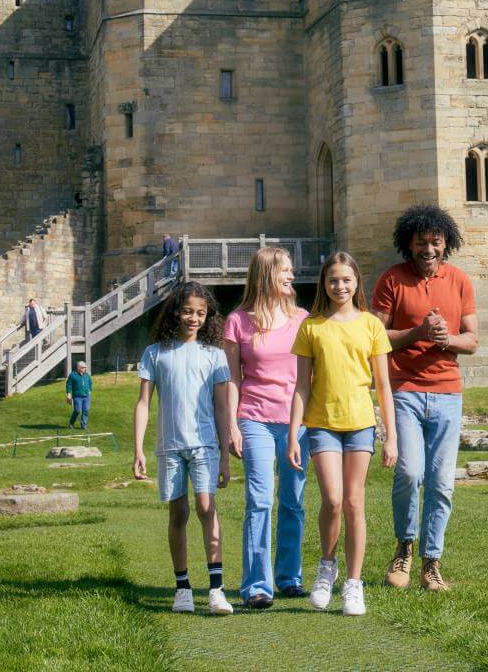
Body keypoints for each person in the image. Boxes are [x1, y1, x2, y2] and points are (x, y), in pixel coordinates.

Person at [374, 205, 478, 593]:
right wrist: (417, 332)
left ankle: (431, 563)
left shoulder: (460, 281)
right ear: (409, 244)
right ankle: (404, 547)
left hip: (448, 393)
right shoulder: (392, 280)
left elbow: (472, 340)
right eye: (421, 242)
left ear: (446, 242)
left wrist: (445, 339)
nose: (429, 249)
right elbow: (376, 336)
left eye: (436, 241)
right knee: (410, 472)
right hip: (405, 390)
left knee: (441, 484)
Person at [286, 252, 396, 616]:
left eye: (346, 280)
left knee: (354, 502)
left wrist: (390, 436)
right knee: (332, 500)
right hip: (322, 424)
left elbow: (383, 386)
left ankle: (353, 583)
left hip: (361, 424)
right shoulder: (311, 327)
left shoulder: (371, 326)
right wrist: (292, 434)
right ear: (324, 283)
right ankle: (325, 568)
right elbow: (301, 386)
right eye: (333, 280)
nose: (340, 286)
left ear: (356, 283)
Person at [133, 281, 235, 615]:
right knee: (178, 513)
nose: (193, 318)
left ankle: (216, 588)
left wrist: (224, 455)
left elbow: (222, 407)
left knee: (206, 507)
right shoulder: (156, 352)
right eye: (188, 311)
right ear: (176, 311)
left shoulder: (214, 355)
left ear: (208, 317)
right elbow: (144, 403)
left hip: (204, 444)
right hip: (170, 448)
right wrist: (138, 449)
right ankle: (182, 588)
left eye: (201, 313)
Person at [220, 247, 310, 609]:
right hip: (254, 419)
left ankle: (289, 577)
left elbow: (310, 377)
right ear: (267, 275)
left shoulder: (303, 319)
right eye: (285, 271)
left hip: (295, 422)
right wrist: (232, 427)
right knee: (259, 500)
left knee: (293, 501)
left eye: (291, 270)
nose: (291, 275)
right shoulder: (237, 321)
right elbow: (231, 380)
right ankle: (257, 584)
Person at [65, 360, 92, 430]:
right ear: (79, 368)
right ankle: (71, 423)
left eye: (85, 367)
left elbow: (90, 383)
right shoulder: (73, 375)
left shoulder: (87, 375)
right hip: (77, 396)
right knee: (77, 410)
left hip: (86, 396)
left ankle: (83, 425)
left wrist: (89, 390)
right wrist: (68, 393)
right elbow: (68, 384)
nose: (85, 369)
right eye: (83, 367)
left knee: (86, 410)